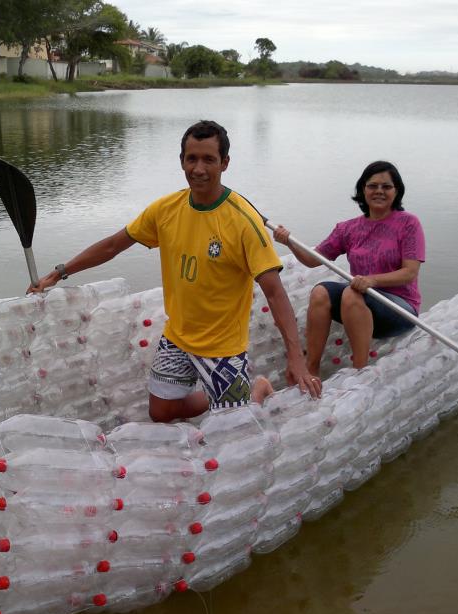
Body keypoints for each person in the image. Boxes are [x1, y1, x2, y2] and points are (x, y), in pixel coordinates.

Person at [28, 120, 313, 423]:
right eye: (192, 159)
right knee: (161, 413)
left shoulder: (244, 221)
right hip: (178, 336)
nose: (199, 169)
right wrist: (60, 272)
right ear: (181, 161)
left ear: (225, 163)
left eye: (209, 159)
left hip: (223, 347)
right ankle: (224, 397)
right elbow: (113, 245)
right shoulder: (166, 210)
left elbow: (274, 291)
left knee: (235, 429)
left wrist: (296, 358)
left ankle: (256, 389)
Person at [272, 160, 425, 394]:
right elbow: (314, 259)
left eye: (387, 186)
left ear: (397, 191)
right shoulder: (348, 228)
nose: (379, 192)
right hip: (360, 300)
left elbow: (409, 272)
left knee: (352, 292)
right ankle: (311, 369)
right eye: (373, 186)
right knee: (321, 291)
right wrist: (289, 241)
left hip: (398, 308)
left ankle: (359, 374)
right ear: (363, 189)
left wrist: (372, 281)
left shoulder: (408, 224)